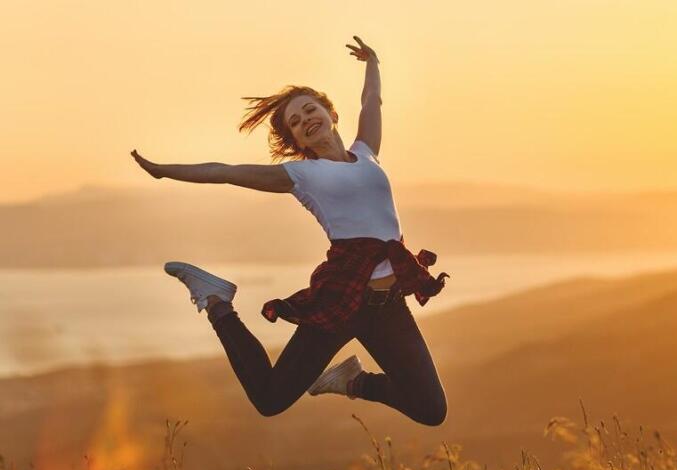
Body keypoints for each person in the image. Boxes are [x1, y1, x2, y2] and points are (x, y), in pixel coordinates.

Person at [130, 36, 448, 426]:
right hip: (342, 300)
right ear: (296, 141)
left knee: (431, 410)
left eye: (310, 110)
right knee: (270, 397)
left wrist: (373, 63)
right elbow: (225, 172)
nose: (305, 120)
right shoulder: (303, 175)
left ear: (331, 113)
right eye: (295, 123)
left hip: (389, 305)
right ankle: (217, 302)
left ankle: (352, 381)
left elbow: (372, 102)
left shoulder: (366, 153)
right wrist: (164, 171)